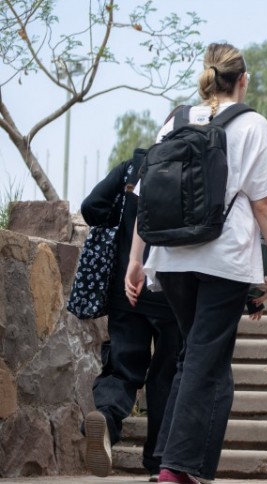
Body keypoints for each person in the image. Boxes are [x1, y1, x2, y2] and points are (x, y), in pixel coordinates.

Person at [125, 42, 267, 484]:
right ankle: (178, 469)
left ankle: (173, 461)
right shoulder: (252, 124)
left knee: (194, 356)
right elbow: (264, 205)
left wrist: (136, 260)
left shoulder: (175, 121)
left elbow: (148, 199)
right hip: (225, 256)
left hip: (172, 258)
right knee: (203, 357)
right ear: (243, 79)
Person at [80, 150, 182, 482]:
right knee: (165, 374)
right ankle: (158, 461)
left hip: (128, 288)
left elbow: (91, 207)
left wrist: (121, 226)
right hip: (173, 290)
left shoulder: (135, 166)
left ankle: (107, 419)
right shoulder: (199, 167)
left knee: (122, 366)